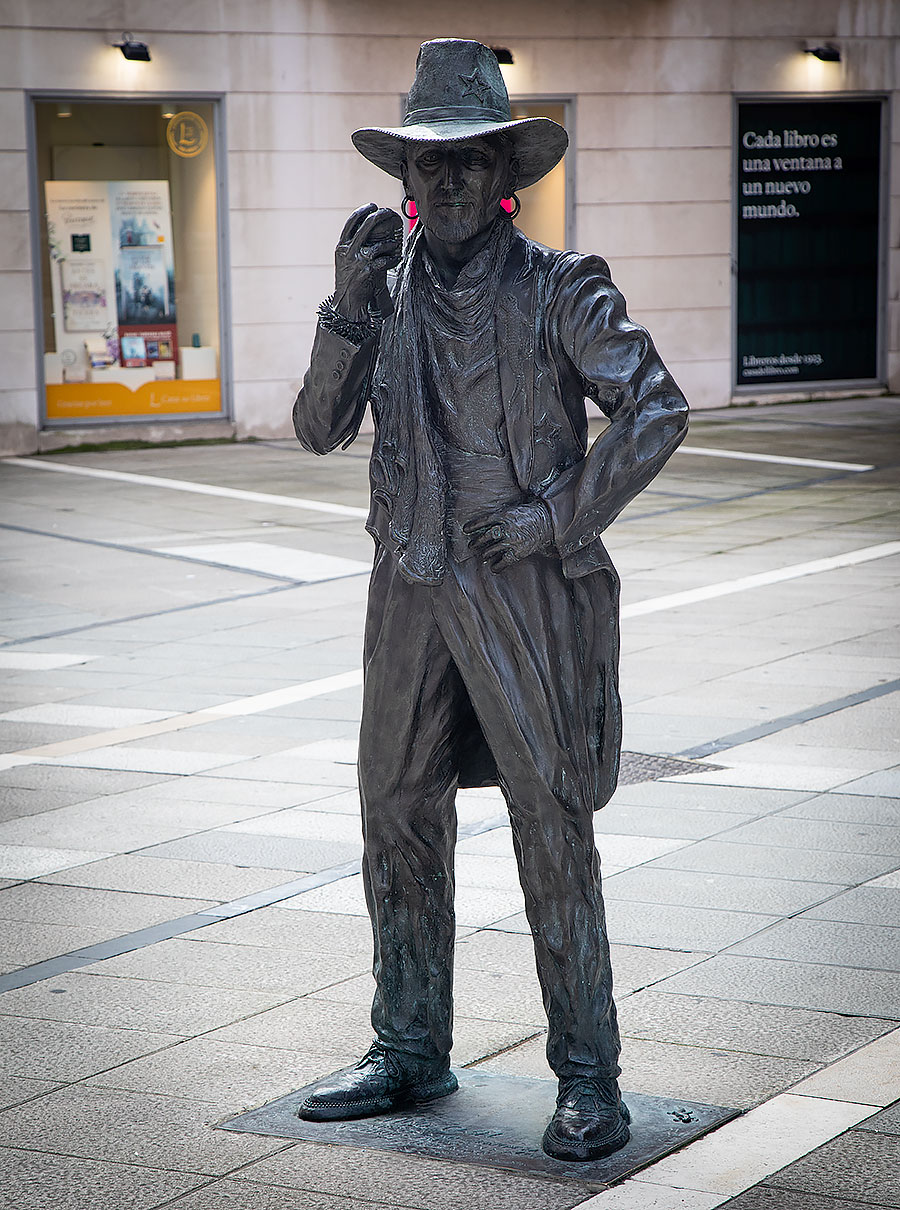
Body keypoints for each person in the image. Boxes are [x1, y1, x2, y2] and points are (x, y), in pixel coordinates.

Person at [292, 38, 688, 1162]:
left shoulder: (562, 285)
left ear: (504, 167)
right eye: (429, 163)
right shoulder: (386, 288)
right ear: (406, 179)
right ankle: (408, 1043)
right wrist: (346, 308)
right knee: (395, 813)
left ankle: (587, 1071)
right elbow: (318, 430)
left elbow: (655, 410)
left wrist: (556, 515)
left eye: (470, 159)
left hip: (519, 588)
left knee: (550, 824)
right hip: (407, 589)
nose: (449, 180)